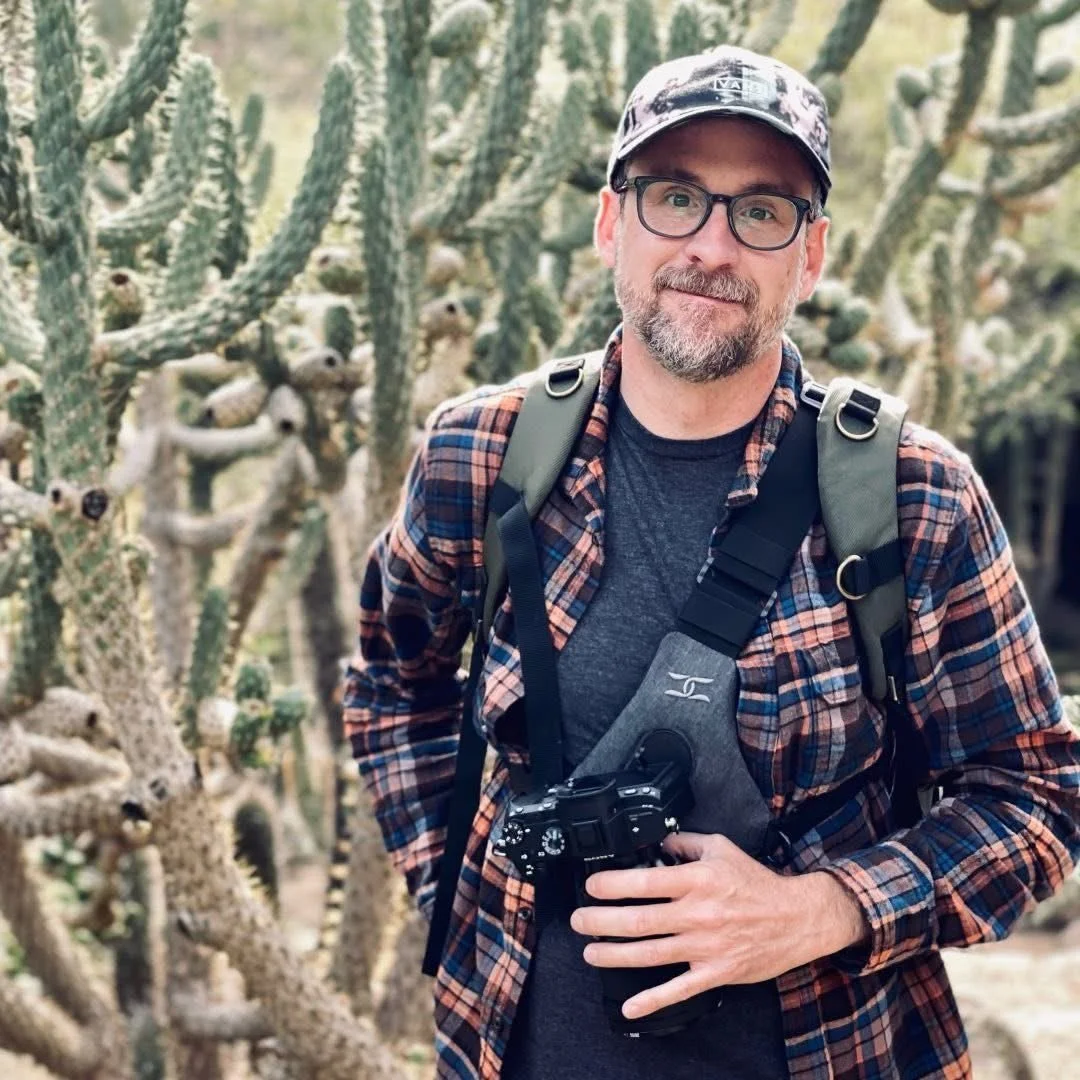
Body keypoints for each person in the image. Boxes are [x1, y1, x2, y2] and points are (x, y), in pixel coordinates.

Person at [344, 45, 1080, 1079]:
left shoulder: (912, 494)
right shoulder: (481, 455)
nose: (713, 246)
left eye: (761, 212)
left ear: (810, 254)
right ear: (612, 223)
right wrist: (457, 885)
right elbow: (391, 678)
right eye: (675, 198)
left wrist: (818, 911)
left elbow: (1037, 796)